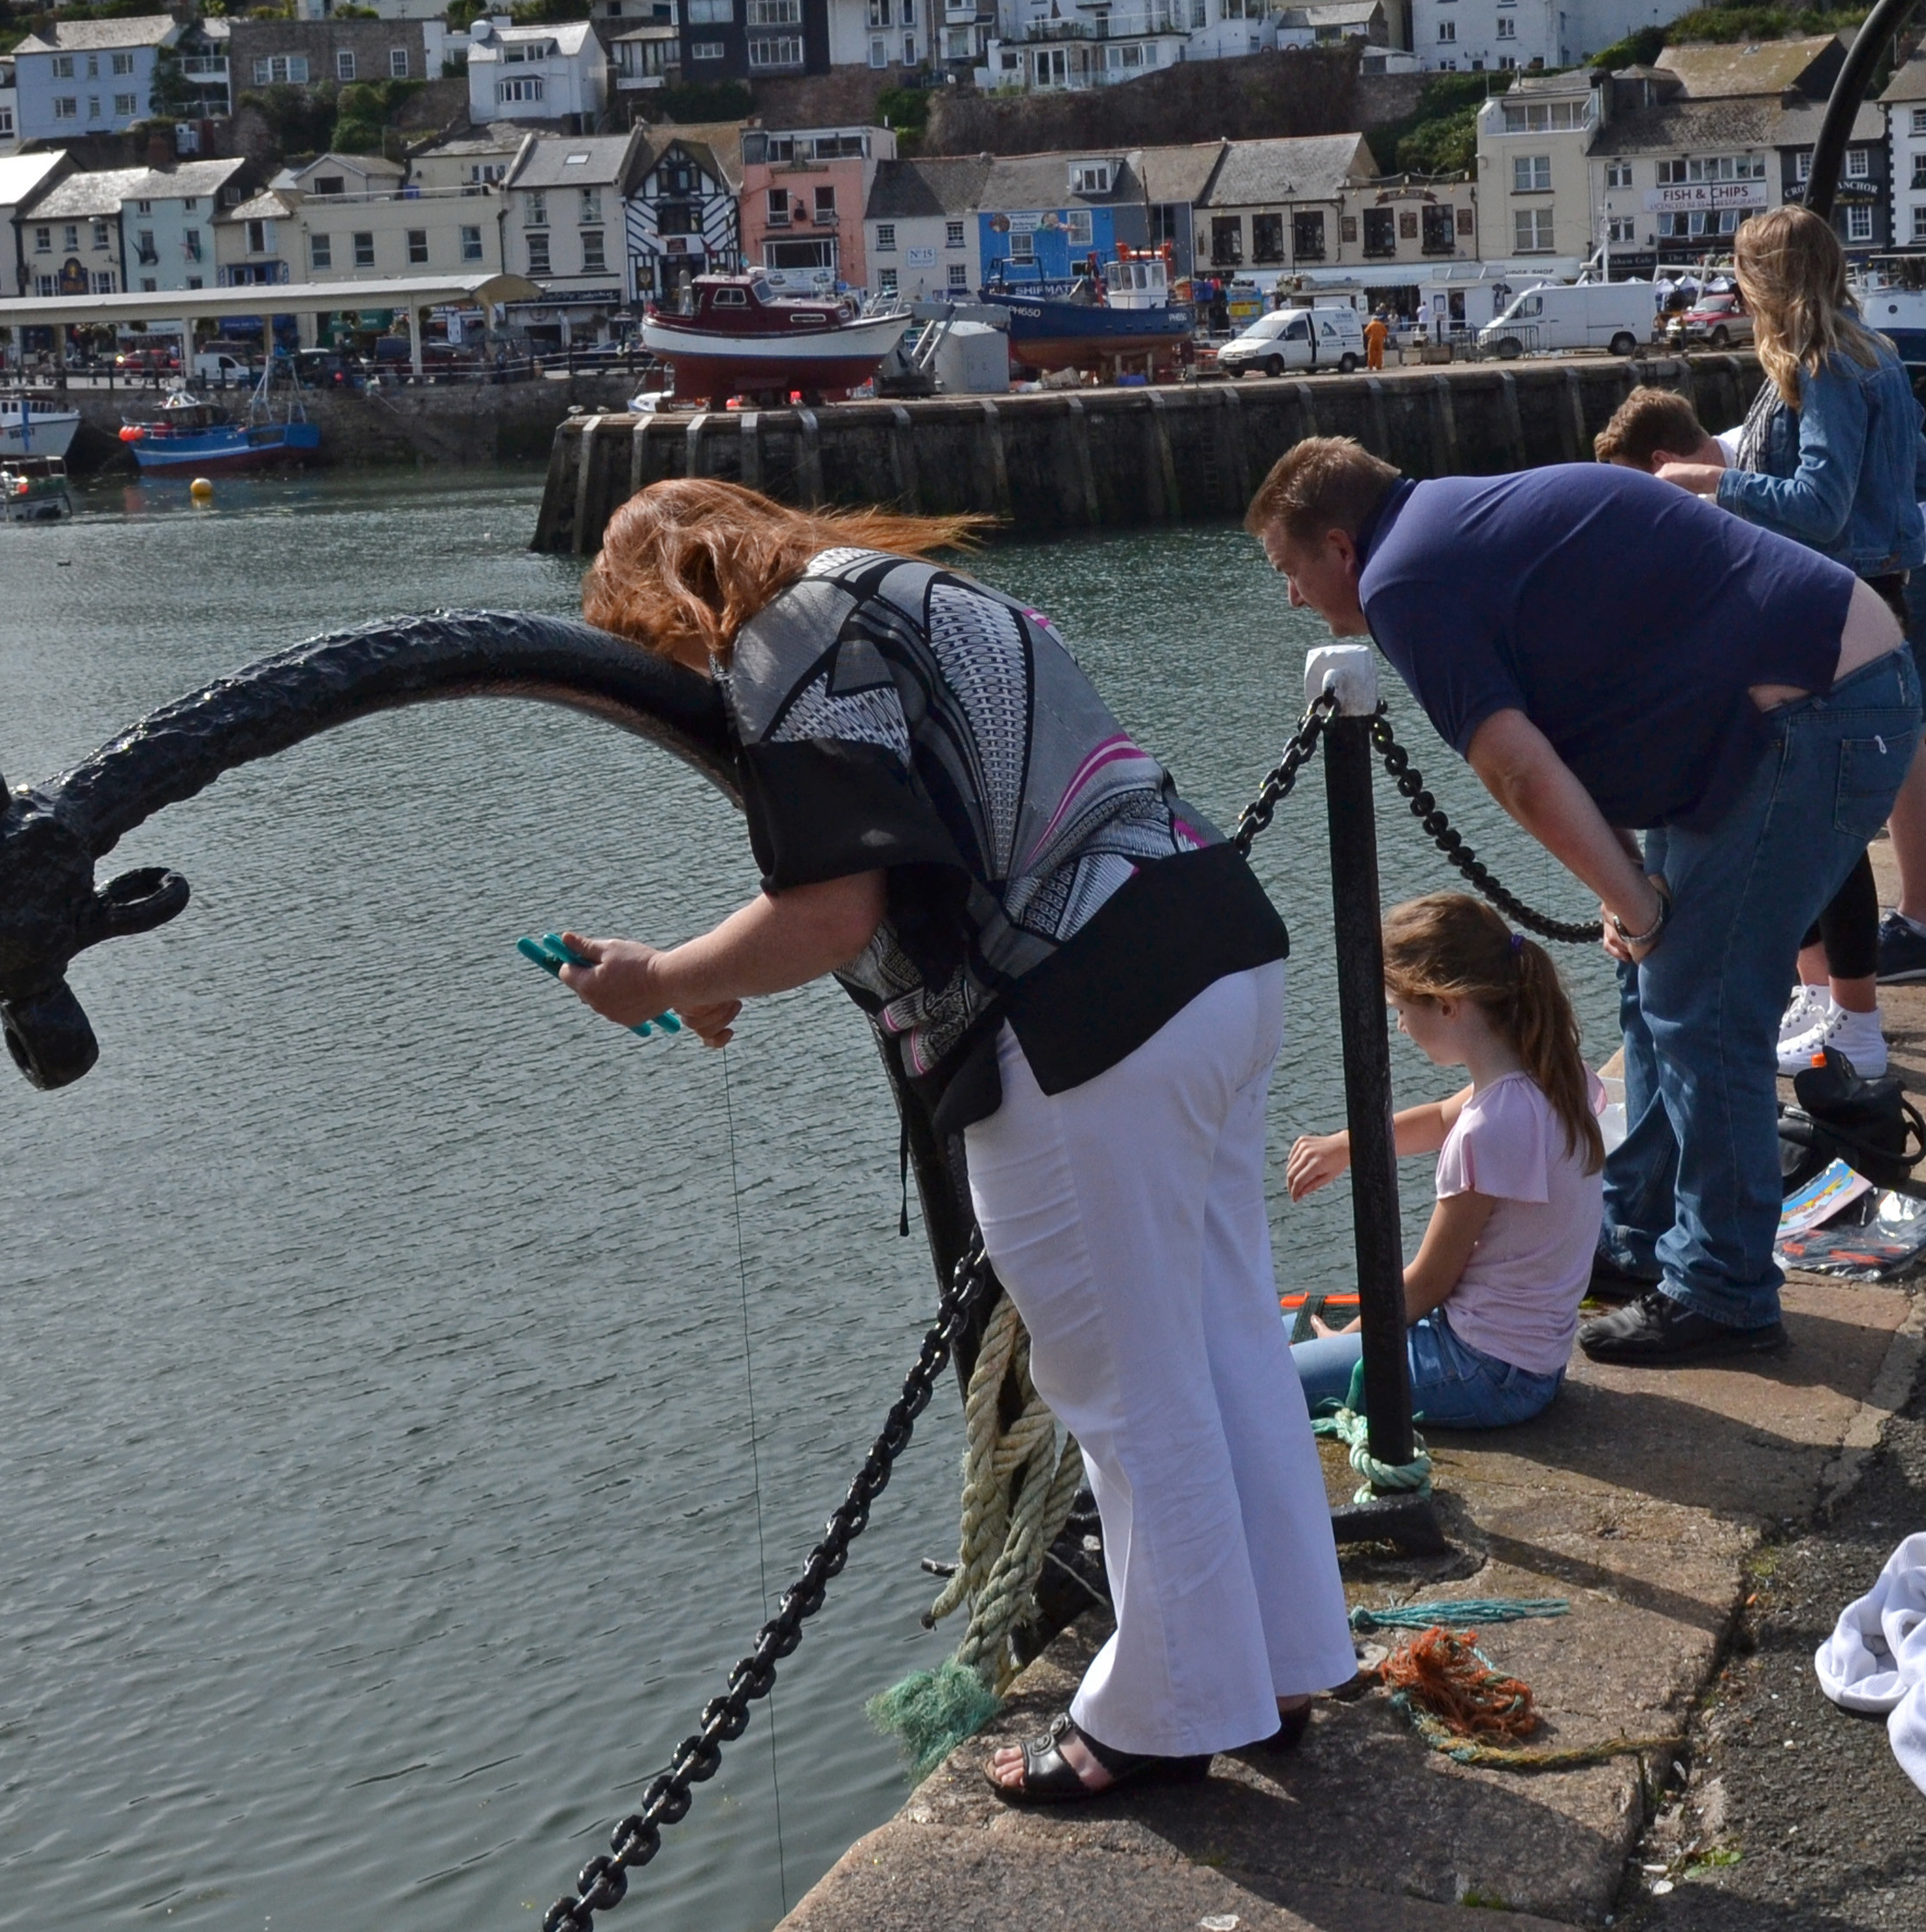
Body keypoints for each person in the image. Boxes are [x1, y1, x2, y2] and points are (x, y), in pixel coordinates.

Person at [551, 480, 1342, 1808]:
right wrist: (717, 973)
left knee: (1121, 1385)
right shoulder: (904, 589)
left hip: (1082, 1010)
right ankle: (1275, 1661)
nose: (691, 676)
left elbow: (832, 901)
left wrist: (663, 975)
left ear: (674, 596)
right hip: (1210, 945)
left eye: (664, 646)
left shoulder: (779, 641)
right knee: (1220, 1339)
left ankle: (1162, 1714)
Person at [1244, 436, 1912, 1368]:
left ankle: (1725, 1290)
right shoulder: (1446, 525)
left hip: (1815, 703)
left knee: (1700, 1000)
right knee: (1652, 978)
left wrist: (1637, 902)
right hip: (1778, 701)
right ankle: (1639, 1236)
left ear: (1339, 546)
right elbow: (1613, 674)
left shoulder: (1401, 582)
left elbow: (1518, 771)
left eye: (1291, 568)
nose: (1290, 596)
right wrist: (1624, 889)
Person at [1590, 382, 1926, 1043]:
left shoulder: (1735, 478)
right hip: (1902, 539)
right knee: (1868, 737)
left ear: (1665, 461)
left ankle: (1919, 928)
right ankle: (1854, 963)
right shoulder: (1732, 462)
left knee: (1889, 731)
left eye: (1638, 490)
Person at [1639, 210, 1926, 1043]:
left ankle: (1850, 1022)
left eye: (1743, 272)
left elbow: (1820, 506)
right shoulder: (1876, 355)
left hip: (1826, 607)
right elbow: (1921, 478)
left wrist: (1711, 482)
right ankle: (1826, 1002)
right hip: (1877, 595)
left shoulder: (1817, 366)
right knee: (1828, 811)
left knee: (1821, 821)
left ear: (1765, 279)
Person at [1279, 894, 1607, 1432]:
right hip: (1531, 1362)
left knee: (1269, 1381)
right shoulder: (1554, 1071)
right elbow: (1436, 1118)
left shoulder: (1489, 1129)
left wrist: (1354, 1340)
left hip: (1485, 1371)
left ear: (1448, 1004)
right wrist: (1345, 1145)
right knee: (1278, 1346)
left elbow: (1428, 1283)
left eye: (1403, 1011)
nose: (1402, 1028)